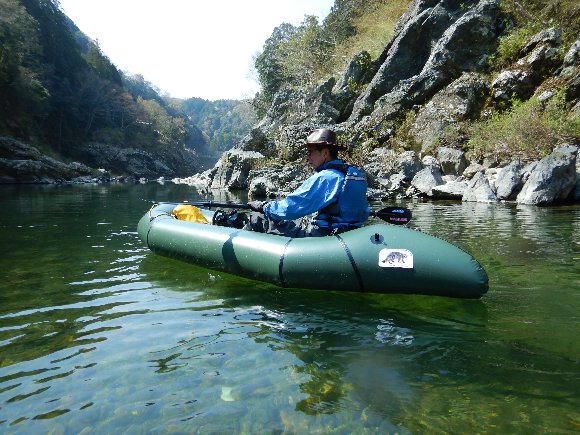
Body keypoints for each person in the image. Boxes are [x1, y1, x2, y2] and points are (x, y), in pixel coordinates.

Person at [246, 128, 370, 237]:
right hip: (348, 235)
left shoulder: (326, 178)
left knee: (258, 218)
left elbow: (290, 208)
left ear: (325, 153)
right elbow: (363, 212)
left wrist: (264, 207)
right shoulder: (352, 175)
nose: (307, 157)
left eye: (310, 152)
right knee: (300, 220)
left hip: (325, 236)